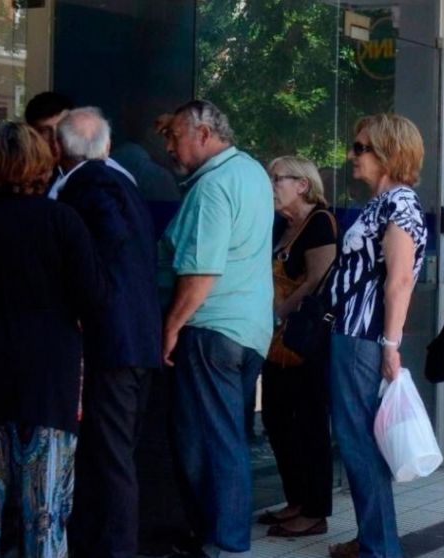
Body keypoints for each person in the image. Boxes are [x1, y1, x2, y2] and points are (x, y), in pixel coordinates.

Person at [0, 122, 106, 557]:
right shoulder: (62, 221)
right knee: (45, 511)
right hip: (46, 380)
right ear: (42, 165)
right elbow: (93, 299)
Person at [159, 100, 274, 558]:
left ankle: (223, 541)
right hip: (249, 330)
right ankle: (218, 536)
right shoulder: (250, 173)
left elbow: (202, 271)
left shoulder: (211, 187)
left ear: (204, 134)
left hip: (212, 330)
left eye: (175, 136)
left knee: (211, 442)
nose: (168, 145)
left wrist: (170, 326)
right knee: (225, 436)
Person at [56, 107, 163, 558]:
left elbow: (105, 250)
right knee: (113, 453)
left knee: (112, 458)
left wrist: (85, 302)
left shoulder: (90, 185)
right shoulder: (124, 183)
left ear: (60, 149)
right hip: (136, 340)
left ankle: (116, 549)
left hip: (112, 344)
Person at [326, 114, 427, 558]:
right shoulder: (384, 203)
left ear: (388, 152)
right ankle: (373, 538)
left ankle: (380, 546)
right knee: (358, 439)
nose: (352, 155)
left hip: (362, 336)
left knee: (359, 440)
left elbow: (400, 280)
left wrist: (390, 344)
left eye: (361, 147)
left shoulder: (399, 204)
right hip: (354, 332)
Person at [257, 156, 337, 538]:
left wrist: (279, 312)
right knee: (276, 418)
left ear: (302, 185)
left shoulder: (319, 222)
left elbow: (318, 280)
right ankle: (295, 500)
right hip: (275, 341)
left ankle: (315, 509)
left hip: (302, 341)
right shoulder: (281, 225)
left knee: (309, 424)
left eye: (277, 179)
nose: (271, 185)